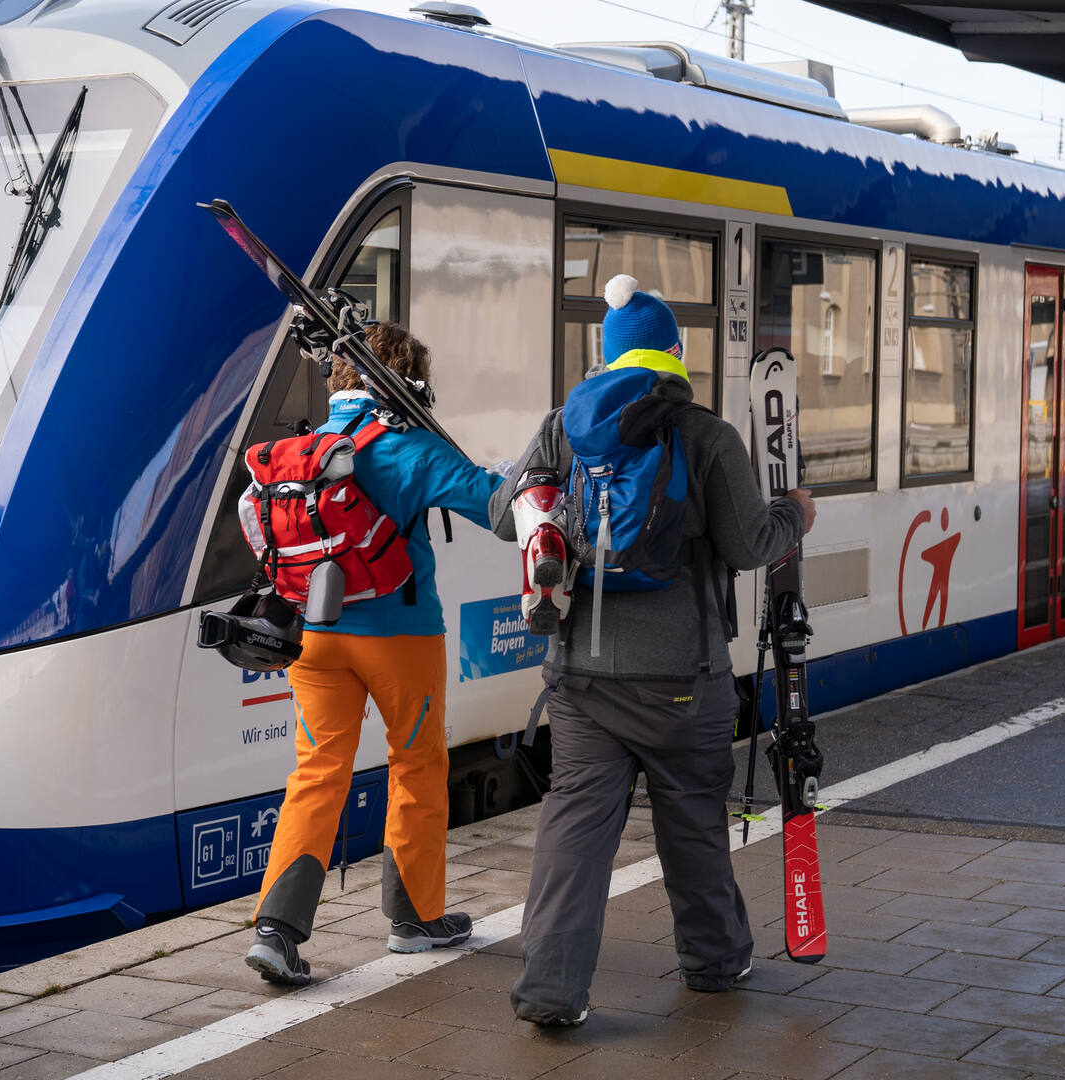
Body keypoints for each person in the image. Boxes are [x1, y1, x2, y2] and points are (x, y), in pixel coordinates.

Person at [487, 276, 815, 1025]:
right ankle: (714, 961)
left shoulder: (563, 428)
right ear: (675, 355)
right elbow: (749, 543)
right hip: (682, 679)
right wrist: (795, 513)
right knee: (692, 823)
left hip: (580, 678)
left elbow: (506, 516)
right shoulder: (706, 436)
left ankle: (550, 990)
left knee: (573, 828)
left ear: (607, 356)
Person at [246, 323, 506, 986]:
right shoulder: (412, 448)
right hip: (401, 637)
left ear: (339, 381)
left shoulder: (304, 450)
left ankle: (277, 931)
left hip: (315, 634)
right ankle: (414, 919)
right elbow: (497, 511)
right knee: (416, 766)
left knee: (317, 773)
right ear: (408, 381)